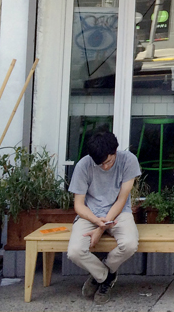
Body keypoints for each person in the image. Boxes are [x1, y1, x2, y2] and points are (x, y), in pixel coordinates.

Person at [66, 126, 141, 304]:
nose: (105, 167)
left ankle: (100, 273)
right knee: (75, 251)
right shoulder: (84, 165)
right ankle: (105, 276)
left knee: (130, 244)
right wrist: (96, 222)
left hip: (119, 212)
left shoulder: (128, 160)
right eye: (100, 164)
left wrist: (102, 227)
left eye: (108, 161)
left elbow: (122, 199)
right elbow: (78, 205)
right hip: (90, 214)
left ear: (115, 151)